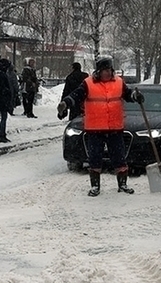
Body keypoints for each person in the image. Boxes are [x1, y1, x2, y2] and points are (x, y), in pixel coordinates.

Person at [57, 57, 143, 197]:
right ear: (98, 71)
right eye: (104, 71)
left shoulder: (119, 82)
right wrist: (65, 103)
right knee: (95, 158)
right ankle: (95, 187)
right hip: (95, 128)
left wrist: (135, 96)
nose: (107, 73)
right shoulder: (88, 83)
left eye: (109, 70)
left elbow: (128, 94)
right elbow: (76, 95)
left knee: (119, 157)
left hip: (115, 127)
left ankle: (123, 184)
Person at [0, 58, 13, 143]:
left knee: (4, 117)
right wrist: (7, 93)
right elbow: (2, 88)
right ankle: (1, 134)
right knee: (4, 118)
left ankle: (2, 134)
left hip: (1, 99)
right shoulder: (1, 75)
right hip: (3, 99)